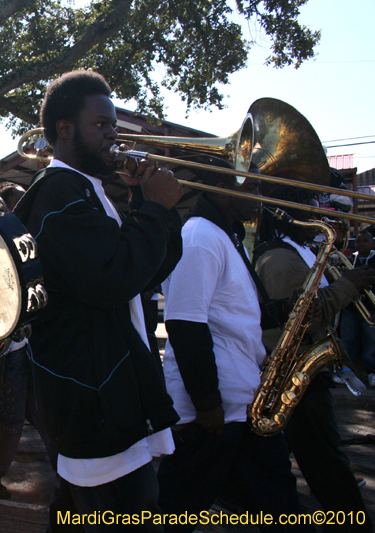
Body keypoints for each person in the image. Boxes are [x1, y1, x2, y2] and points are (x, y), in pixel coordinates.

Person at [13, 70, 183, 531]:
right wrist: (153, 209)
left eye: (114, 125)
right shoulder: (58, 193)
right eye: (101, 124)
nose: (114, 135)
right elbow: (113, 278)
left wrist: (151, 213)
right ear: (64, 130)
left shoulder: (85, 190)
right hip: (95, 397)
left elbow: (146, 272)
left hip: (101, 389)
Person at [157, 160, 313, 532]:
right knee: (175, 512)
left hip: (239, 403)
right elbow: (183, 322)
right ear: (217, 186)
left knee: (277, 503)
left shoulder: (222, 236)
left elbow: (233, 315)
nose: (260, 197)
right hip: (215, 412)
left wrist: (287, 309)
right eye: (251, 188)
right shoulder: (200, 237)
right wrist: (208, 403)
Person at [254, 185, 374, 532]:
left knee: (317, 459)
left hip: (307, 369)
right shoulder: (279, 257)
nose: (316, 209)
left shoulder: (298, 251)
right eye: (307, 203)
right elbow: (297, 320)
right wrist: (348, 286)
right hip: (294, 373)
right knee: (324, 463)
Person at [0, 181, 55, 500]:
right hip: (8, 348)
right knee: (2, 417)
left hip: (31, 344)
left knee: (46, 410)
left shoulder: (28, 241)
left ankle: (67, 470)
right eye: (16, 205)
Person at [339, 230, 375, 387]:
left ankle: (372, 372)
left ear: (372, 243)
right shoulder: (350, 259)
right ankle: (347, 372)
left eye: (365, 241)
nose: (361, 244)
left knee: (371, 341)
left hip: (370, 308)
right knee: (348, 339)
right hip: (351, 307)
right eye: (359, 241)